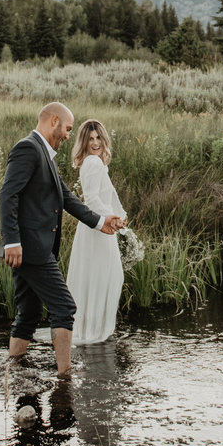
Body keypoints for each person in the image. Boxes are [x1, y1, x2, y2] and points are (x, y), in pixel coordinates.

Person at [0, 102, 124, 376]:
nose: (69, 135)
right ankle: (65, 375)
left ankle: (13, 369)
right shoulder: (28, 148)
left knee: (29, 314)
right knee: (65, 307)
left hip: (32, 249)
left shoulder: (45, 154)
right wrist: (12, 242)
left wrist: (101, 221)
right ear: (54, 121)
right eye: (67, 128)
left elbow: (66, 198)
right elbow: (8, 195)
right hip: (30, 249)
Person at [67, 120, 128, 345]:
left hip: (100, 225)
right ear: (84, 142)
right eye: (90, 139)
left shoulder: (96, 164)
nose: (95, 143)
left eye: (98, 137)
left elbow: (109, 194)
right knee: (105, 277)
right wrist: (111, 218)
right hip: (98, 227)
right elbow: (92, 200)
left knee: (98, 277)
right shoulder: (92, 163)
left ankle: (92, 328)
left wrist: (121, 214)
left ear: (103, 138)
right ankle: (94, 332)